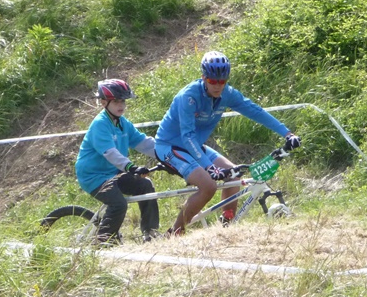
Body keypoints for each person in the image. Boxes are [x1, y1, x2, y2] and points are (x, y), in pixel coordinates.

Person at [155, 51, 301, 236]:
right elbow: (188, 136)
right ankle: (175, 233)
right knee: (209, 186)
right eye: (213, 81)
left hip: (194, 146)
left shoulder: (228, 93)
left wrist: (287, 133)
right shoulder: (189, 97)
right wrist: (209, 167)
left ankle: (226, 226)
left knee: (234, 175)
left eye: (222, 81)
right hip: (169, 146)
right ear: (203, 77)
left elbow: (255, 111)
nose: (218, 86)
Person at [75, 79, 160, 245]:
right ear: (103, 102)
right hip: (93, 176)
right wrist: (131, 167)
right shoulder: (100, 124)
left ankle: (150, 233)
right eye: (116, 101)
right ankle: (103, 243)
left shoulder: (122, 123)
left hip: (113, 172)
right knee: (118, 204)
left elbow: (143, 143)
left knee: (145, 185)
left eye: (123, 101)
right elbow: (110, 153)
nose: (121, 105)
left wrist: (168, 154)